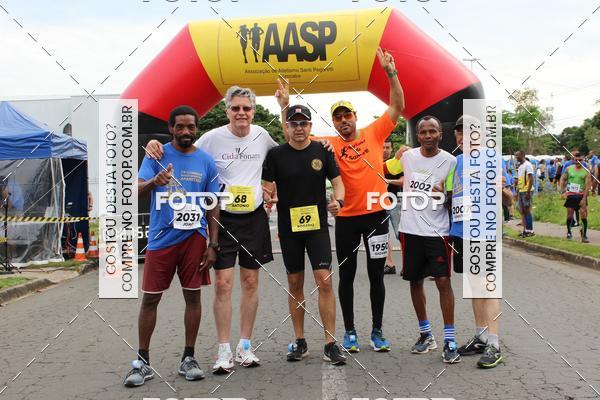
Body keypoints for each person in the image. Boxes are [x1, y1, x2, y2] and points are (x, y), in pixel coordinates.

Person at [276, 46, 405, 353]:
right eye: (338, 117)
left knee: (376, 275)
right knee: (345, 276)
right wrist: (285, 106)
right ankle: (349, 332)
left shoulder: (374, 133)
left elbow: (398, 106)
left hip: (376, 217)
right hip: (346, 220)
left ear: (355, 117)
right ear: (333, 122)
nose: (344, 120)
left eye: (348, 115)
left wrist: (391, 73)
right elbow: (293, 136)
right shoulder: (329, 144)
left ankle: (377, 331)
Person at [146, 86, 277, 374]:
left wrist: (271, 187)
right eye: (235, 108)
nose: (241, 113)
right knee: (223, 284)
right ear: (227, 110)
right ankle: (223, 349)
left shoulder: (262, 136)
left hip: (254, 218)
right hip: (223, 218)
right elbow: (184, 147)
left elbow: (283, 156)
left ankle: (245, 345)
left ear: (253, 111)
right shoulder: (212, 138)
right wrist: (155, 144)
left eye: (246, 108)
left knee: (251, 282)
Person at [124, 106, 220, 387]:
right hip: (161, 238)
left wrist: (213, 243)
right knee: (150, 299)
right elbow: (133, 189)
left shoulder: (206, 161)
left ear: (197, 128)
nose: (186, 131)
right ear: (171, 128)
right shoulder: (156, 155)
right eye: (180, 127)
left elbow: (213, 204)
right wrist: (155, 181)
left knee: (193, 297)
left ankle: (189, 358)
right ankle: (142, 362)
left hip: (194, 238)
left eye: (191, 126)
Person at [262, 104, 347, 365]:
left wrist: (339, 201)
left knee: (325, 281)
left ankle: (330, 343)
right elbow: (266, 186)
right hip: (289, 229)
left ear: (310, 126)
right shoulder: (275, 155)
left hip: (317, 226)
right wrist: (267, 197)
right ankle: (300, 341)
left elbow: (338, 184)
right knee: (295, 283)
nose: (299, 128)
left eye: (303, 123)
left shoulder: (322, 150)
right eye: (294, 123)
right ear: (287, 127)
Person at [385, 115, 459, 364]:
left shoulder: (450, 161)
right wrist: (395, 156)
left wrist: (445, 195)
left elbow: (454, 197)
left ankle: (450, 339)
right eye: (423, 132)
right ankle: (426, 334)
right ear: (417, 136)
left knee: (443, 281)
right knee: (415, 281)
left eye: (432, 131)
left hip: (438, 231)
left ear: (440, 134)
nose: (428, 136)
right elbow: (384, 169)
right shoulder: (408, 157)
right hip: (410, 230)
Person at [449, 117, 503, 368]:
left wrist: (499, 190)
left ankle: (494, 343)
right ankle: (481, 336)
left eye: (468, 132)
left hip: (484, 232)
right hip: (462, 232)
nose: (463, 137)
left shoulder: (491, 158)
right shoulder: (457, 161)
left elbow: (505, 195)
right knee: (473, 286)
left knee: (488, 286)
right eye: (459, 133)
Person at [560, 151, 592, 242]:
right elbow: (563, 178)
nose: (578, 162)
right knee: (569, 215)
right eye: (576, 160)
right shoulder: (569, 169)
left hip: (581, 195)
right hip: (571, 195)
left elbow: (587, 186)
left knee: (583, 214)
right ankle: (569, 232)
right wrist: (563, 191)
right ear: (573, 160)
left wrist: (584, 198)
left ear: (583, 160)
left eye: (580, 160)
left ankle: (584, 235)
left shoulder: (586, 171)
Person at [383, 137, 404, 275]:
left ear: (391, 149)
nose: (385, 150)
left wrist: (388, 181)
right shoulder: (373, 162)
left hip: (395, 202)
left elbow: (403, 181)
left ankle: (407, 265)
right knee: (383, 234)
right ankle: (389, 264)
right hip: (376, 203)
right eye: (382, 147)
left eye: (388, 147)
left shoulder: (396, 164)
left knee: (400, 234)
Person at [515, 151, 535, 237]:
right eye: (515, 155)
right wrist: (517, 191)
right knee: (522, 210)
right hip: (521, 190)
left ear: (522, 155)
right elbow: (520, 180)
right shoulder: (520, 166)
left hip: (527, 191)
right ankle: (525, 230)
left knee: (527, 210)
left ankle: (530, 230)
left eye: (517, 155)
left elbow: (531, 178)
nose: (516, 157)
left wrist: (528, 192)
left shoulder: (528, 165)